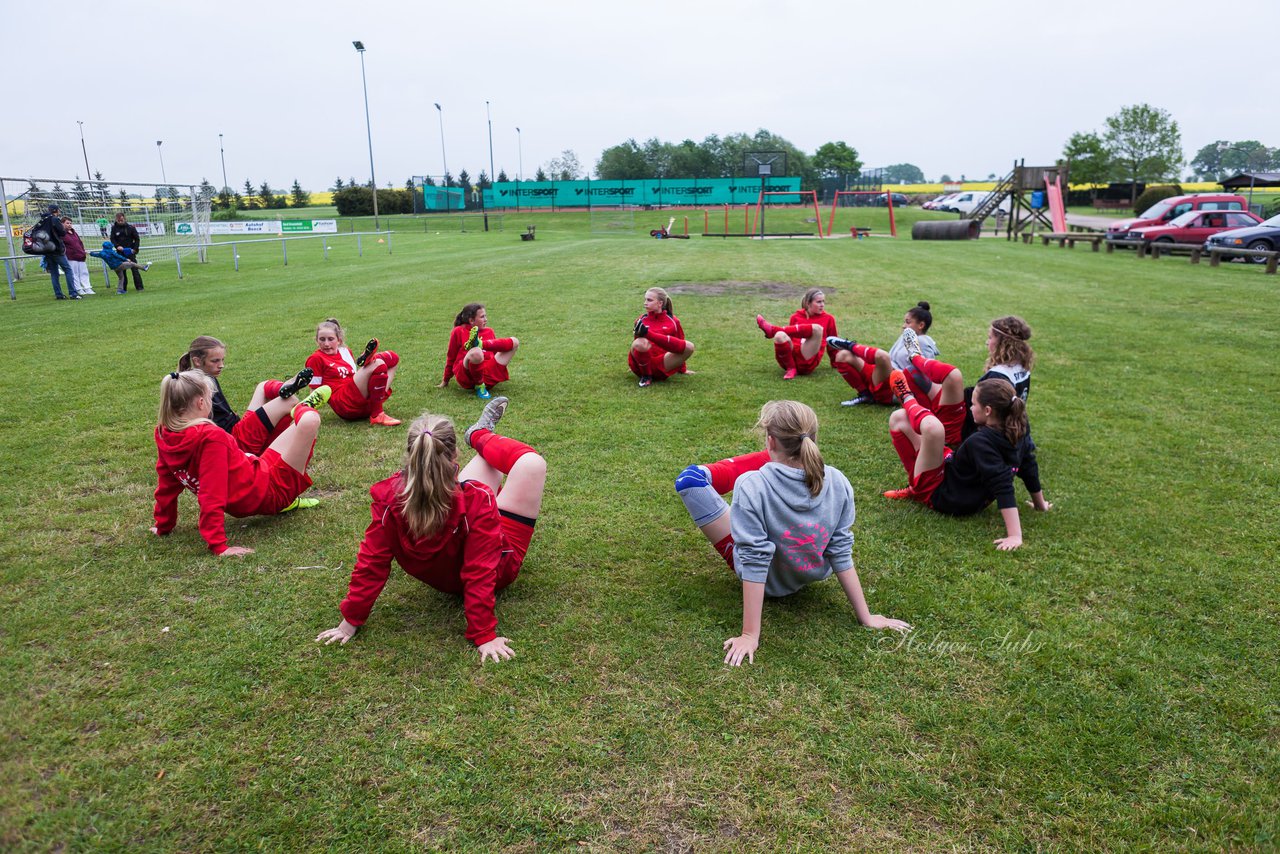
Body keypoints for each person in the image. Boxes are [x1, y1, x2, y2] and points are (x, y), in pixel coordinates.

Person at [674, 400, 911, 666]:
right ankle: (785, 460)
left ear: (770, 440)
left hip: (771, 583)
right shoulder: (839, 480)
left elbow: (754, 558)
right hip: (805, 572)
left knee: (690, 481)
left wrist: (750, 635)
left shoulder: (751, 485)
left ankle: (763, 461)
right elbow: (840, 549)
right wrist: (865, 616)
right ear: (813, 438)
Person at [316, 397, 548, 665]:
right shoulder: (478, 500)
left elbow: (372, 564)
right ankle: (479, 434)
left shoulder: (390, 501)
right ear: (454, 455)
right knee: (531, 464)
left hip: (448, 567)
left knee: (485, 466)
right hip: (501, 567)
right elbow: (480, 571)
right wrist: (483, 635)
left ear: (411, 455)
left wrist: (349, 622)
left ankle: (481, 436)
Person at [151, 370, 323, 556]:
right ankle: (301, 408)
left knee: (287, 408)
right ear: (201, 403)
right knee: (309, 420)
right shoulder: (211, 437)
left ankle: (296, 408)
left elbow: (166, 485)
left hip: (259, 471)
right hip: (271, 491)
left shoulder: (164, 432)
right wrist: (219, 546)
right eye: (211, 399)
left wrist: (163, 525)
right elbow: (211, 492)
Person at [884, 373, 1050, 551]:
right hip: (958, 483)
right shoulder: (1019, 429)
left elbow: (1003, 486)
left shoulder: (980, 442)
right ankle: (915, 487)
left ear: (987, 411)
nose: (970, 408)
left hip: (942, 495)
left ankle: (907, 396)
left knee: (930, 427)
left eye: (973, 404)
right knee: (901, 418)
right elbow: (1027, 464)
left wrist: (1015, 535)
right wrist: (1040, 504)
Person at [178, 335, 326, 459]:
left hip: (236, 429)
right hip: (235, 441)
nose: (221, 365)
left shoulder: (195, 378)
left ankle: (285, 386)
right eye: (215, 361)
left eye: (222, 360)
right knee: (289, 401)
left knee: (262, 388)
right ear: (197, 361)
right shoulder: (200, 384)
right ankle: (305, 407)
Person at [827, 301, 940, 407]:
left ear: (921, 325)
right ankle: (865, 395)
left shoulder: (925, 344)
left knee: (882, 356)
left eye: (908, 322)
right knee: (843, 355)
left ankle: (850, 345)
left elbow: (925, 378)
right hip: (880, 376)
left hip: (892, 388)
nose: (903, 325)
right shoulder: (907, 335)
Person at [305, 318, 402, 426]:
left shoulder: (346, 352)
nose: (326, 344)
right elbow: (314, 390)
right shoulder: (316, 358)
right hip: (344, 402)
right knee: (378, 363)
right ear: (316, 340)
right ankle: (377, 415)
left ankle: (368, 361)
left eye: (330, 339)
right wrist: (310, 415)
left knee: (393, 358)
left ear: (339, 340)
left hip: (362, 402)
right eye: (322, 339)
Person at [960, 316, 1035, 442]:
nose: (987, 342)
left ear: (1003, 342)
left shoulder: (998, 375)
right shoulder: (1022, 368)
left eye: (990, 337)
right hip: (1013, 430)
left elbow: (985, 415)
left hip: (994, 438)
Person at [438, 303, 520, 401]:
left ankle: (480, 344)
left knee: (514, 341)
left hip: (487, 375)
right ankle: (479, 386)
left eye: (485, 316)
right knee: (476, 352)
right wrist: (445, 380)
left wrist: (498, 369)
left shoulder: (489, 331)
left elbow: (495, 354)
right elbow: (451, 357)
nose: (486, 319)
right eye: (482, 317)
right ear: (471, 320)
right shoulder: (459, 331)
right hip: (467, 375)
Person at [753, 288, 838, 380]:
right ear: (808, 303)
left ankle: (772, 330)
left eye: (823, 302)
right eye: (818, 302)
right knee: (779, 335)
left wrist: (835, 362)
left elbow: (832, 342)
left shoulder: (828, 319)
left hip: (807, 361)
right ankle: (791, 369)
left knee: (817, 328)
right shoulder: (795, 317)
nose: (822, 305)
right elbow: (791, 338)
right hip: (790, 359)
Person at [630, 286, 695, 388]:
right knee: (640, 343)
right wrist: (635, 363)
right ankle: (646, 376)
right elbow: (636, 344)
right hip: (642, 368)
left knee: (689, 346)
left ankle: (651, 374)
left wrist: (682, 369)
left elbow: (680, 345)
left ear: (660, 303)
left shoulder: (673, 321)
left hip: (662, 364)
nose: (645, 303)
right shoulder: (641, 320)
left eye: (649, 300)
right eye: (645, 299)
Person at [36, 204, 79, 300]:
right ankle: (73, 293)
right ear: (56, 210)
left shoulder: (43, 219)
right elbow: (62, 232)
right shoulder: (54, 219)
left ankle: (59, 295)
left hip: (46, 249)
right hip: (56, 249)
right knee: (68, 269)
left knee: (54, 273)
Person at [109, 212, 144, 291]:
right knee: (122, 271)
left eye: (121, 220)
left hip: (130, 252)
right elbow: (112, 239)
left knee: (135, 270)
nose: (120, 222)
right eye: (118, 221)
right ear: (116, 220)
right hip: (120, 254)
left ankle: (139, 287)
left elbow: (137, 239)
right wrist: (117, 246)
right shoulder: (114, 228)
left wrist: (135, 249)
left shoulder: (131, 228)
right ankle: (123, 288)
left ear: (125, 219)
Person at [60, 218, 95, 296]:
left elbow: (79, 243)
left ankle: (87, 287)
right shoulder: (62, 234)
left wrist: (82, 251)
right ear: (62, 224)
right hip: (71, 256)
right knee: (74, 273)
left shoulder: (74, 232)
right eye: (67, 223)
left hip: (80, 255)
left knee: (84, 272)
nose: (69, 225)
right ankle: (78, 288)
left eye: (70, 223)